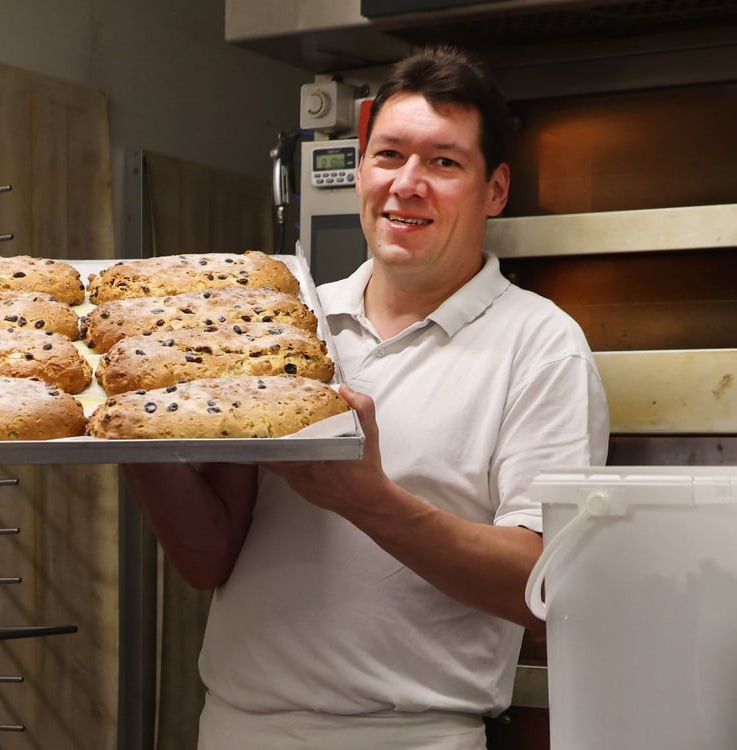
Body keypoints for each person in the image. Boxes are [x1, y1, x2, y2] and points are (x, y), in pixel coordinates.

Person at [123, 44, 609, 750]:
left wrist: (364, 496)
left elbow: (541, 590)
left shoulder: (539, 346)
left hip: (415, 734)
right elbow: (209, 560)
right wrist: (127, 426)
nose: (408, 184)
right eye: (389, 156)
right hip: (237, 727)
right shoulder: (284, 325)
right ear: (360, 171)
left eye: (444, 163)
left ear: (495, 190)